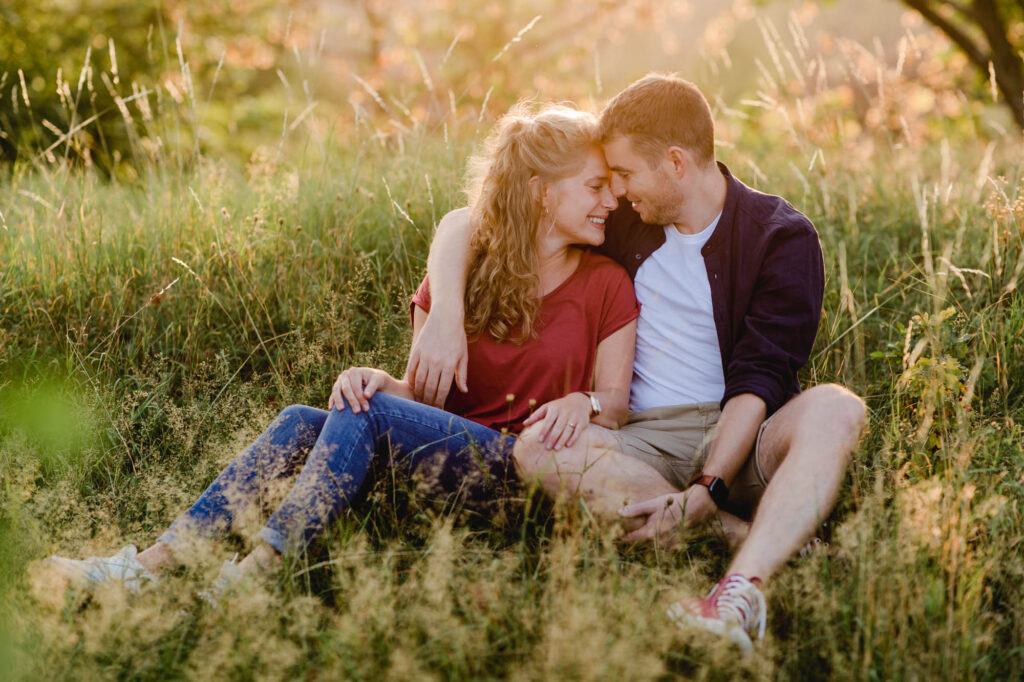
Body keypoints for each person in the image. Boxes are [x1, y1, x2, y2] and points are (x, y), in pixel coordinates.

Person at [48, 103, 640, 595]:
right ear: (539, 192)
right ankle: (146, 567)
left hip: (527, 475)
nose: (609, 203)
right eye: (594, 187)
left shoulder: (607, 283)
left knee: (367, 414)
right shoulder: (459, 277)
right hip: (441, 468)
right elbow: (423, 397)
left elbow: (616, 404)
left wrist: (583, 402)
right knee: (305, 420)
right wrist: (379, 380)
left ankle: (259, 573)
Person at [406, 74, 867, 652]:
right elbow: (465, 222)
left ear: (675, 162)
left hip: (743, 432)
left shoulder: (781, 237)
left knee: (836, 408)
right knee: (538, 446)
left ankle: (735, 593)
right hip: (639, 441)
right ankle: (743, 536)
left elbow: (761, 378)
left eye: (623, 175)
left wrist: (709, 485)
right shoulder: (626, 219)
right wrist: (446, 311)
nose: (615, 192)